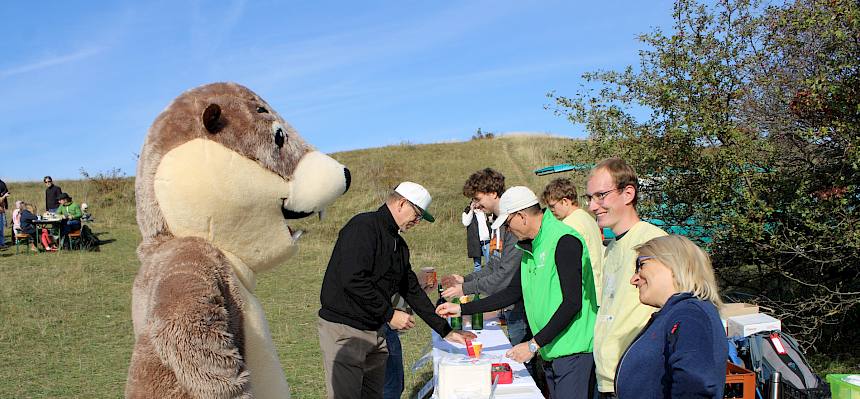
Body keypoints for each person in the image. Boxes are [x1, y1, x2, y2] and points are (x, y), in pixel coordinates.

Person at [318, 181, 475, 399]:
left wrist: (445, 330)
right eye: (418, 214)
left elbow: (412, 289)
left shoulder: (399, 245)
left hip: (376, 331)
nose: (417, 221)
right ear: (402, 203)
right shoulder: (363, 227)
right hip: (345, 332)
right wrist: (389, 314)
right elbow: (352, 279)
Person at [438, 186, 598, 397]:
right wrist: (462, 309)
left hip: (573, 351)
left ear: (522, 216)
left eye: (507, 223)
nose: (507, 230)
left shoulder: (564, 240)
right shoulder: (530, 247)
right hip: (552, 348)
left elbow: (572, 303)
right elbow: (512, 292)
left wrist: (533, 344)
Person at [586, 157, 668, 398]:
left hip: (636, 381)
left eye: (600, 195)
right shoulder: (611, 247)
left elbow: (676, 313)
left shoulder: (654, 243)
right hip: (607, 379)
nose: (592, 206)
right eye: (590, 198)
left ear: (628, 193)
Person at [615, 235, 727, 398]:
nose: (634, 279)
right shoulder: (679, 313)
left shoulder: (689, 315)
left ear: (673, 263)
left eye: (641, 265)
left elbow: (694, 385)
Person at [441, 168, 529, 347]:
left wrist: (466, 288)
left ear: (493, 193)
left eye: (478, 199)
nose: (476, 205)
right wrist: (465, 279)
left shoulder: (512, 224)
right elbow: (494, 263)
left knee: (525, 362)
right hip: (509, 304)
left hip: (521, 304)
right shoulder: (497, 222)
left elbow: (505, 275)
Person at [541, 177, 605, 304]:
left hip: (585, 293)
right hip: (599, 290)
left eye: (553, 206)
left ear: (565, 201)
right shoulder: (588, 219)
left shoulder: (568, 226)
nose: (551, 211)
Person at [462, 201, 490, 272]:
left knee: (489, 263)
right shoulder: (467, 212)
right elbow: (466, 223)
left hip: (486, 241)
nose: (476, 203)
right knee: (477, 265)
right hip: (475, 241)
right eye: (475, 201)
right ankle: (477, 281)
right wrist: (471, 210)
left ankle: (490, 280)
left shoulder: (484, 211)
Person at [0, 178, 9, 249]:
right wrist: (4, 196)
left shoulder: (2, 183)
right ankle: (2, 244)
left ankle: (2, 243)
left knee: (1, 228)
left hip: (1, 210)